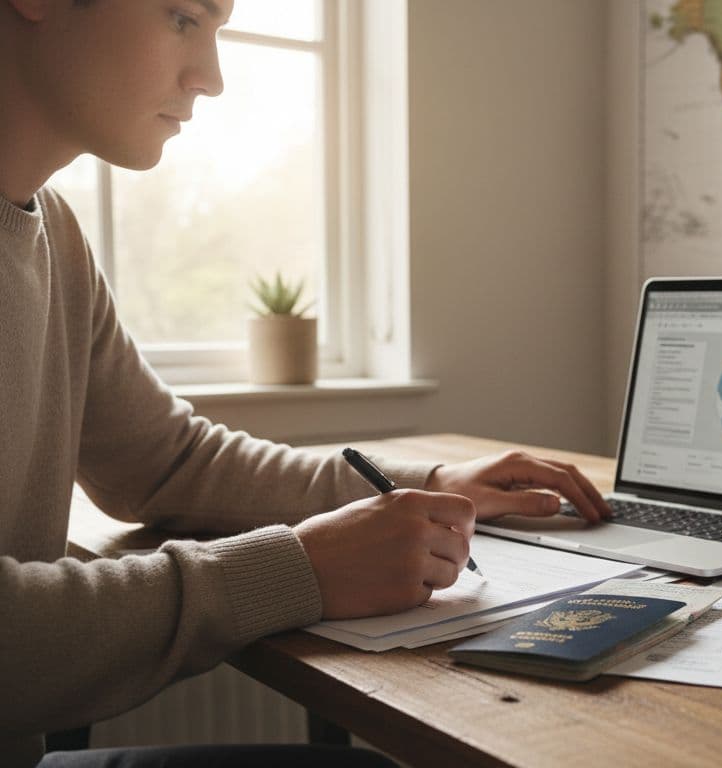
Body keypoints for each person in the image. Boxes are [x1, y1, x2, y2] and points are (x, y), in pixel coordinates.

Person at [0, 1, 611, 766]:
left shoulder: (52, 232)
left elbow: (167, 464)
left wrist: (427, 481)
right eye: (183, 17)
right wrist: (298, 570)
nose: (210, 78)